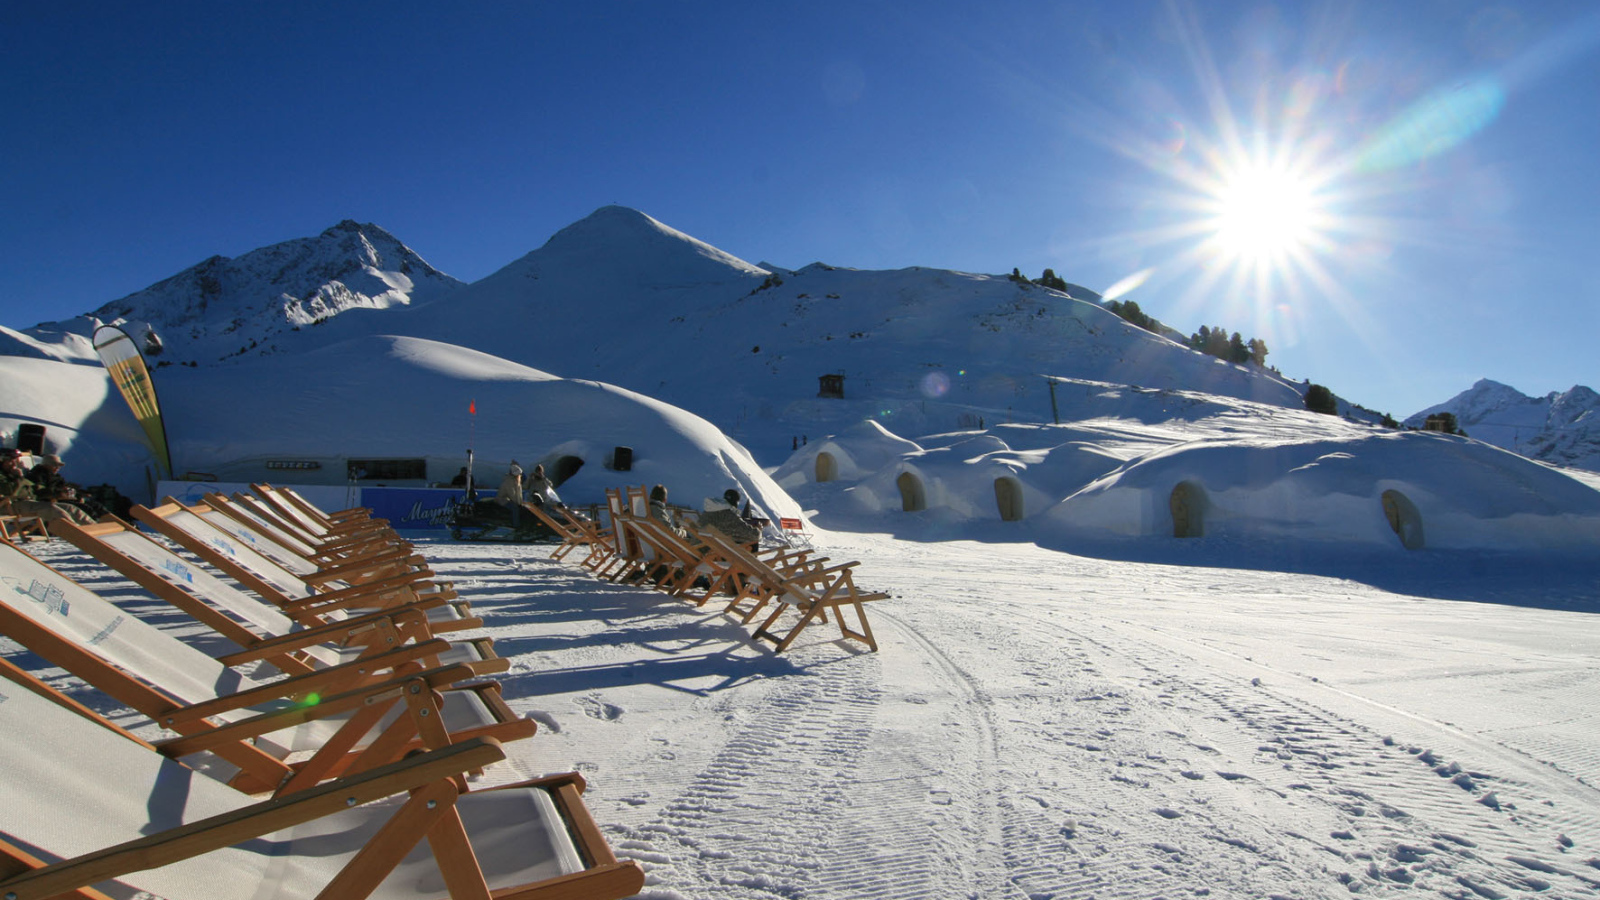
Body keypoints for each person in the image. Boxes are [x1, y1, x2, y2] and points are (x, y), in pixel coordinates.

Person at [1, 449, 92, 530]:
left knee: (70, 508)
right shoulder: (6, 475)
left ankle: (97, 532)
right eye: (10, 461)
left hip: (26, 502)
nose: (14, 464)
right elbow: (9, 491)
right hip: (8, 506)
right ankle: (78, 533)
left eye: (14, 461)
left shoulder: (10, 473)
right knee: (51, 509)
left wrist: (57, 493)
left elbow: (35, 488)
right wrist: (19, 478)